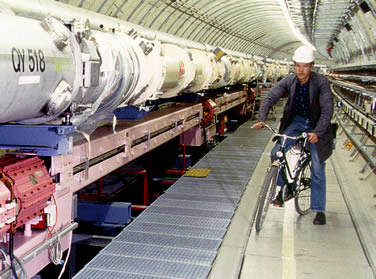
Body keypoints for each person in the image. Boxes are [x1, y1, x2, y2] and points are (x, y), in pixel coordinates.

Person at [253, 45, 334, 225]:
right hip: (296, 122)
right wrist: (262, 118)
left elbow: (327, 109)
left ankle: (319, 210)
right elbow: (271, 96)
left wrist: (317, 132)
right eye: (298, 65)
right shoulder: (290, 80)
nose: (301, 69)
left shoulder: (321, 82)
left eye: (305, 66)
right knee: (276, 153)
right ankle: (283, 188)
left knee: (317, 168)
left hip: (315, 124)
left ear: (311, 66)